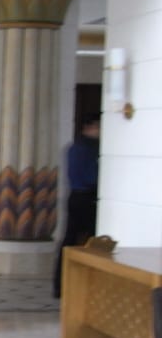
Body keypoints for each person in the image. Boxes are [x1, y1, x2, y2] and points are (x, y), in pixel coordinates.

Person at [53, 113, 100, 297]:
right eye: (98, 127)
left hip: (75, 197)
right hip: (87, 198)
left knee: (69, 239)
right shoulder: (89, 148)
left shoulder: (73, 147)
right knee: (90, 242)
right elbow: (91, 177)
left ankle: (60, 284)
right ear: (89, 127)